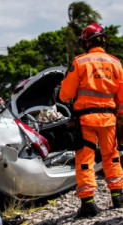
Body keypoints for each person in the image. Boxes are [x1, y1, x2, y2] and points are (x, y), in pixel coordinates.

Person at [59, 23, 123, 217]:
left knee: (85, 161)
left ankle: (88, 203)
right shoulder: (115, 63)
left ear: (86, 42)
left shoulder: (80, 62)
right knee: (111, 156)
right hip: (109, 120)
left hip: (86, 120)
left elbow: (65, 94)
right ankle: (118, 197)